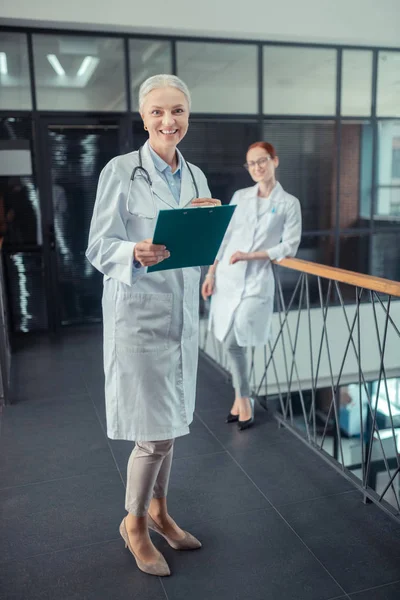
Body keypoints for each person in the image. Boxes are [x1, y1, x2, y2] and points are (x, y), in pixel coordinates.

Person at [86, 74, 221, 577]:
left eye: (179, 111)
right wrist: (132, 252)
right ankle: (136, 523)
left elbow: (201, 240)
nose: (170, 121)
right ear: (143, 117)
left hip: (180, 315)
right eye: (160, 111)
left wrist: (208, 241)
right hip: (139, 317)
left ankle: (162, 511)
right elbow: (99, 247)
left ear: (188, 117)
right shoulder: (120, 172)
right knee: (153, 436)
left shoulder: (197, 177)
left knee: (171, 426)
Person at [202, 141, 302, 431]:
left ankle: (243, 400)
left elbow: (290, 246)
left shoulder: (288, 203)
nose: (257, 168)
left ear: (274, 161)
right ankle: (239, 400)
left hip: (257, 279)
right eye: (251, 164)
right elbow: (224, 237)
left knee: (235, 340)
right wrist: (210, 274)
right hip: (228, 278)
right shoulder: (240, 196)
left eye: (262, 161)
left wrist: (251, 255)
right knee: (227, 338)